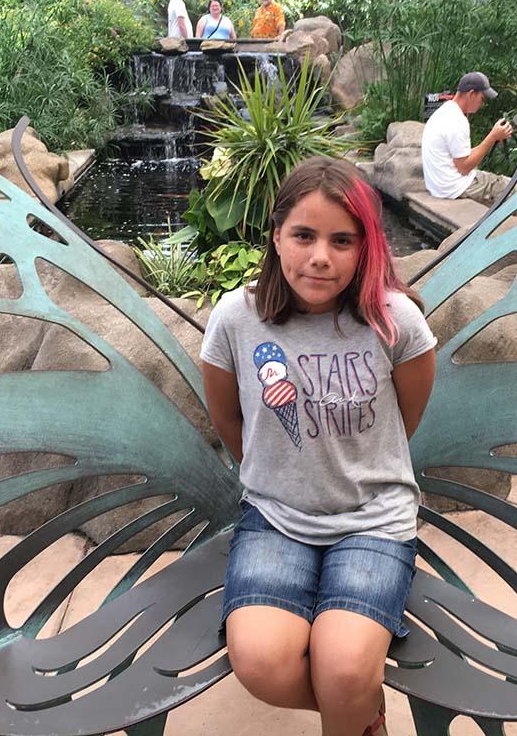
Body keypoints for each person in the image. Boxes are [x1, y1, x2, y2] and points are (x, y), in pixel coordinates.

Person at [200, 156, 437, 736]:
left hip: (373, 521)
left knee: (346, 667)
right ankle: (361, 714)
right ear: (276, 234)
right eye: (303, 235)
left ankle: (351, 706)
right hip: (277, 517)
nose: (321, 256)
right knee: (261, 663)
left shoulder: (394, 320)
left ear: (365, 247)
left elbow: (405, 419)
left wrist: (348, 463)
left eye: (342, 240)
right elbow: (230, 420)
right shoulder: (237, 317)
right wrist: (284, 465)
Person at [421, 71, 513, 203]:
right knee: (516, 190)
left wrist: (493, 137)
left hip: (440, 186)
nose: (482, 104)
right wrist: (492, 137)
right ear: (471, 94)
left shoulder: (445, 111)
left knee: (502, 182)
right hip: (455, 187)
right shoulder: (457, 120)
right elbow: (464, 167)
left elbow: (462, 157)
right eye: (482, 98)